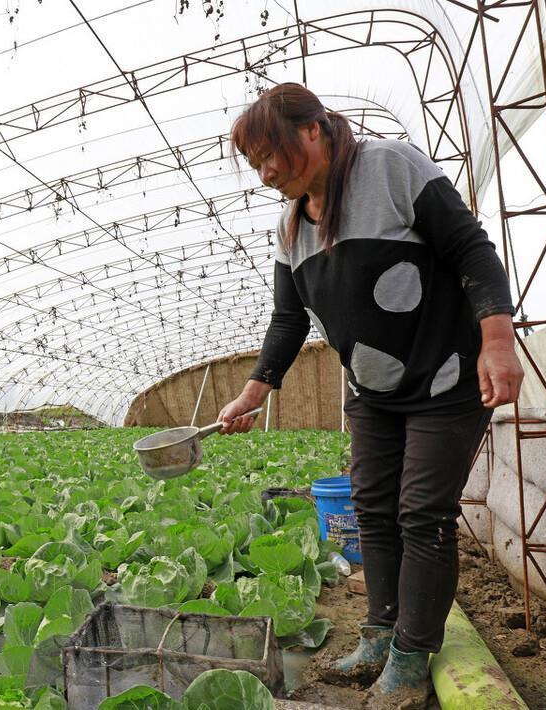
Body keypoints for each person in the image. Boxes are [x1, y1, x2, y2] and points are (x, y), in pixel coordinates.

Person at [217, 83, 523, 708]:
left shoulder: (390, 167)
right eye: (256, 164)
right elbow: (288, 320)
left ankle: (412, 657)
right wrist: (254, 391)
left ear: (314, 131)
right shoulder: (290, 228)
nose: (267, 172)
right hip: (372, 391)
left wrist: (497, 338)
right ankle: (381, 635)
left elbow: (472, 248)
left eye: (272, 152)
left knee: (422, 514)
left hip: (444, 379)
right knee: (372, 509)